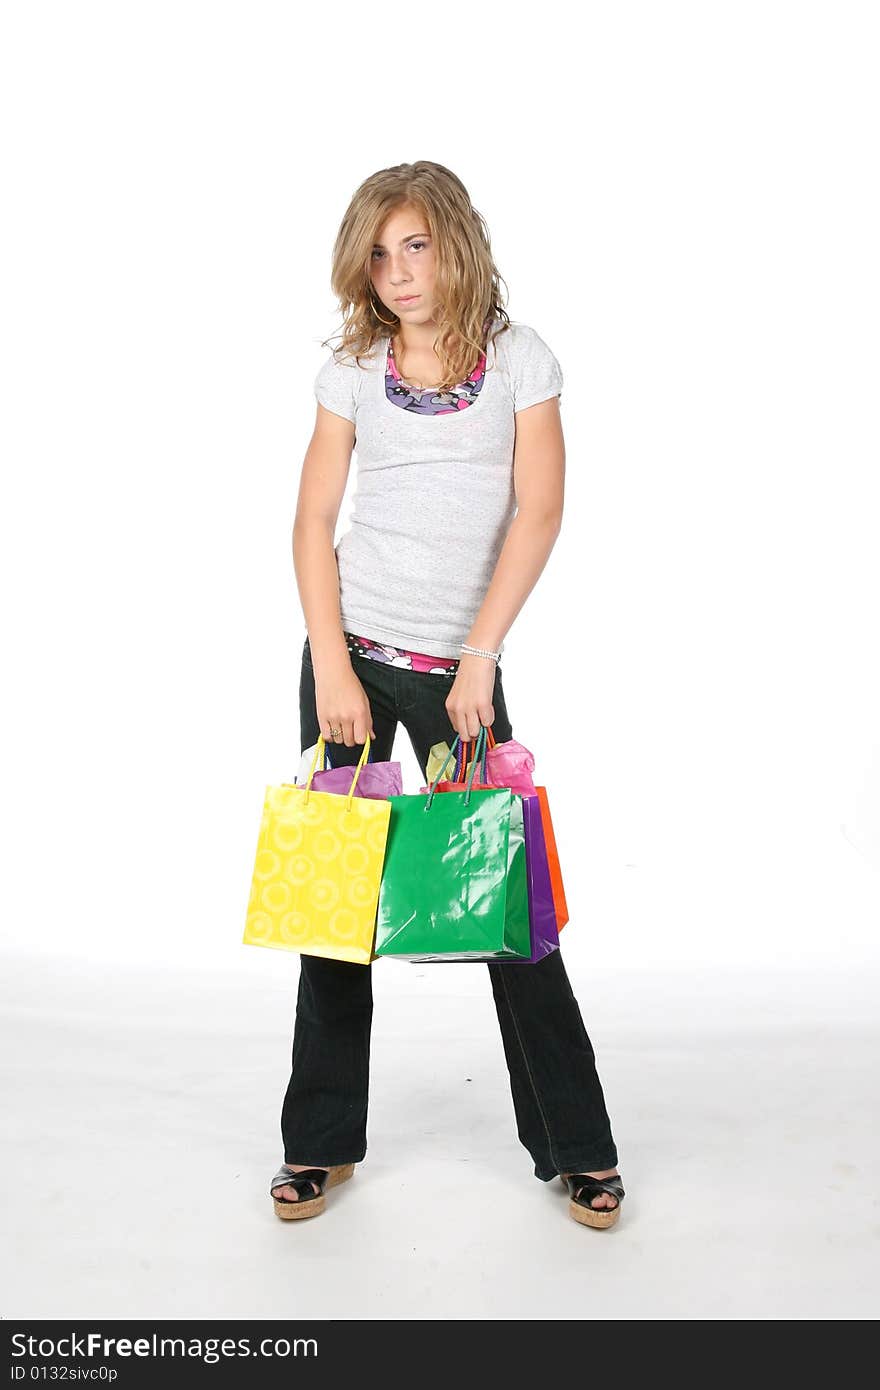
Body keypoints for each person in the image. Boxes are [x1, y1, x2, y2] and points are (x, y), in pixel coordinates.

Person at [270, 161, 624, 1229]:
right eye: (378, 253)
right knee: (332, 914)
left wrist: (480, 656)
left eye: (414, 245)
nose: (395, 271)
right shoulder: (354, 369)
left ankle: (578, 1149)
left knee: (513, 921)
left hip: (458, 678)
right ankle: (318, 1145)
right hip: (348, 663)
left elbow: (540, 511)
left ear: (455, 242)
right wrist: (330, 663)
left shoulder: (523, 361)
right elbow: (311, 524)